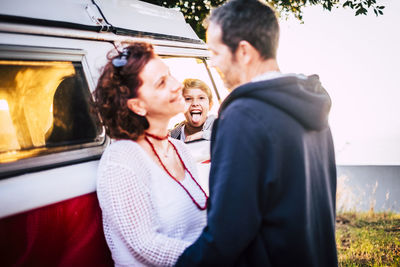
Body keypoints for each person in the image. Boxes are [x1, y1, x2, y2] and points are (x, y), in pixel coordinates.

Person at [176, 0, 338, 266]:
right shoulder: (310, 103)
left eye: (216, 52)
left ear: (243, 52)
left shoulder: (243, 115)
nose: (213, 62)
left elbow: (228, 233)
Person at [93, 42, 208, 267]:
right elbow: (147, 245)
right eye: (162, 83)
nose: (177, 86)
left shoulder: (180, 149)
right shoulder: (121, 160)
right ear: (138, 106)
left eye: (170, 75)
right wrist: (216, 256)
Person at [170, 78, 216, 143]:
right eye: (188, 99)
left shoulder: (220, 126)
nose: (195, 104)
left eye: (201, 98)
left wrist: (203, 135)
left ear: (210, 105)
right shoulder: (172, 136)